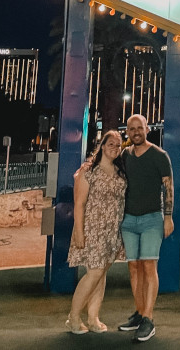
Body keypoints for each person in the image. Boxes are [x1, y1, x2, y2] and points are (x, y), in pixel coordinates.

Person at [116, 114, 173, 343]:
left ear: (147, 129)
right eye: (132, 129)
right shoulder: (124, 156)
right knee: (133, 267)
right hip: (128, 220)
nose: (136, 132)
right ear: (127, 132)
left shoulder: (160, 155)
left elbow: (169, 188)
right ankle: (139, 313)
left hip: (151, 219)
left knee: (149, 265)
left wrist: (167, 217)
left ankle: (149, 319)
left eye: (140, 128)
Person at [65, 130, 127, 334]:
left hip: (112, 231)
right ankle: (73, 317)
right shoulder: (88, 171)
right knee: (94, 273)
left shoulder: (120, 172)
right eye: (111, 144)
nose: (115, 148)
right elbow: (79, 204)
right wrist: (79, 232)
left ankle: (93, 318)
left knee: (101, 274)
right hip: (93, 229)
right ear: (102, 146)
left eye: (118, 145)